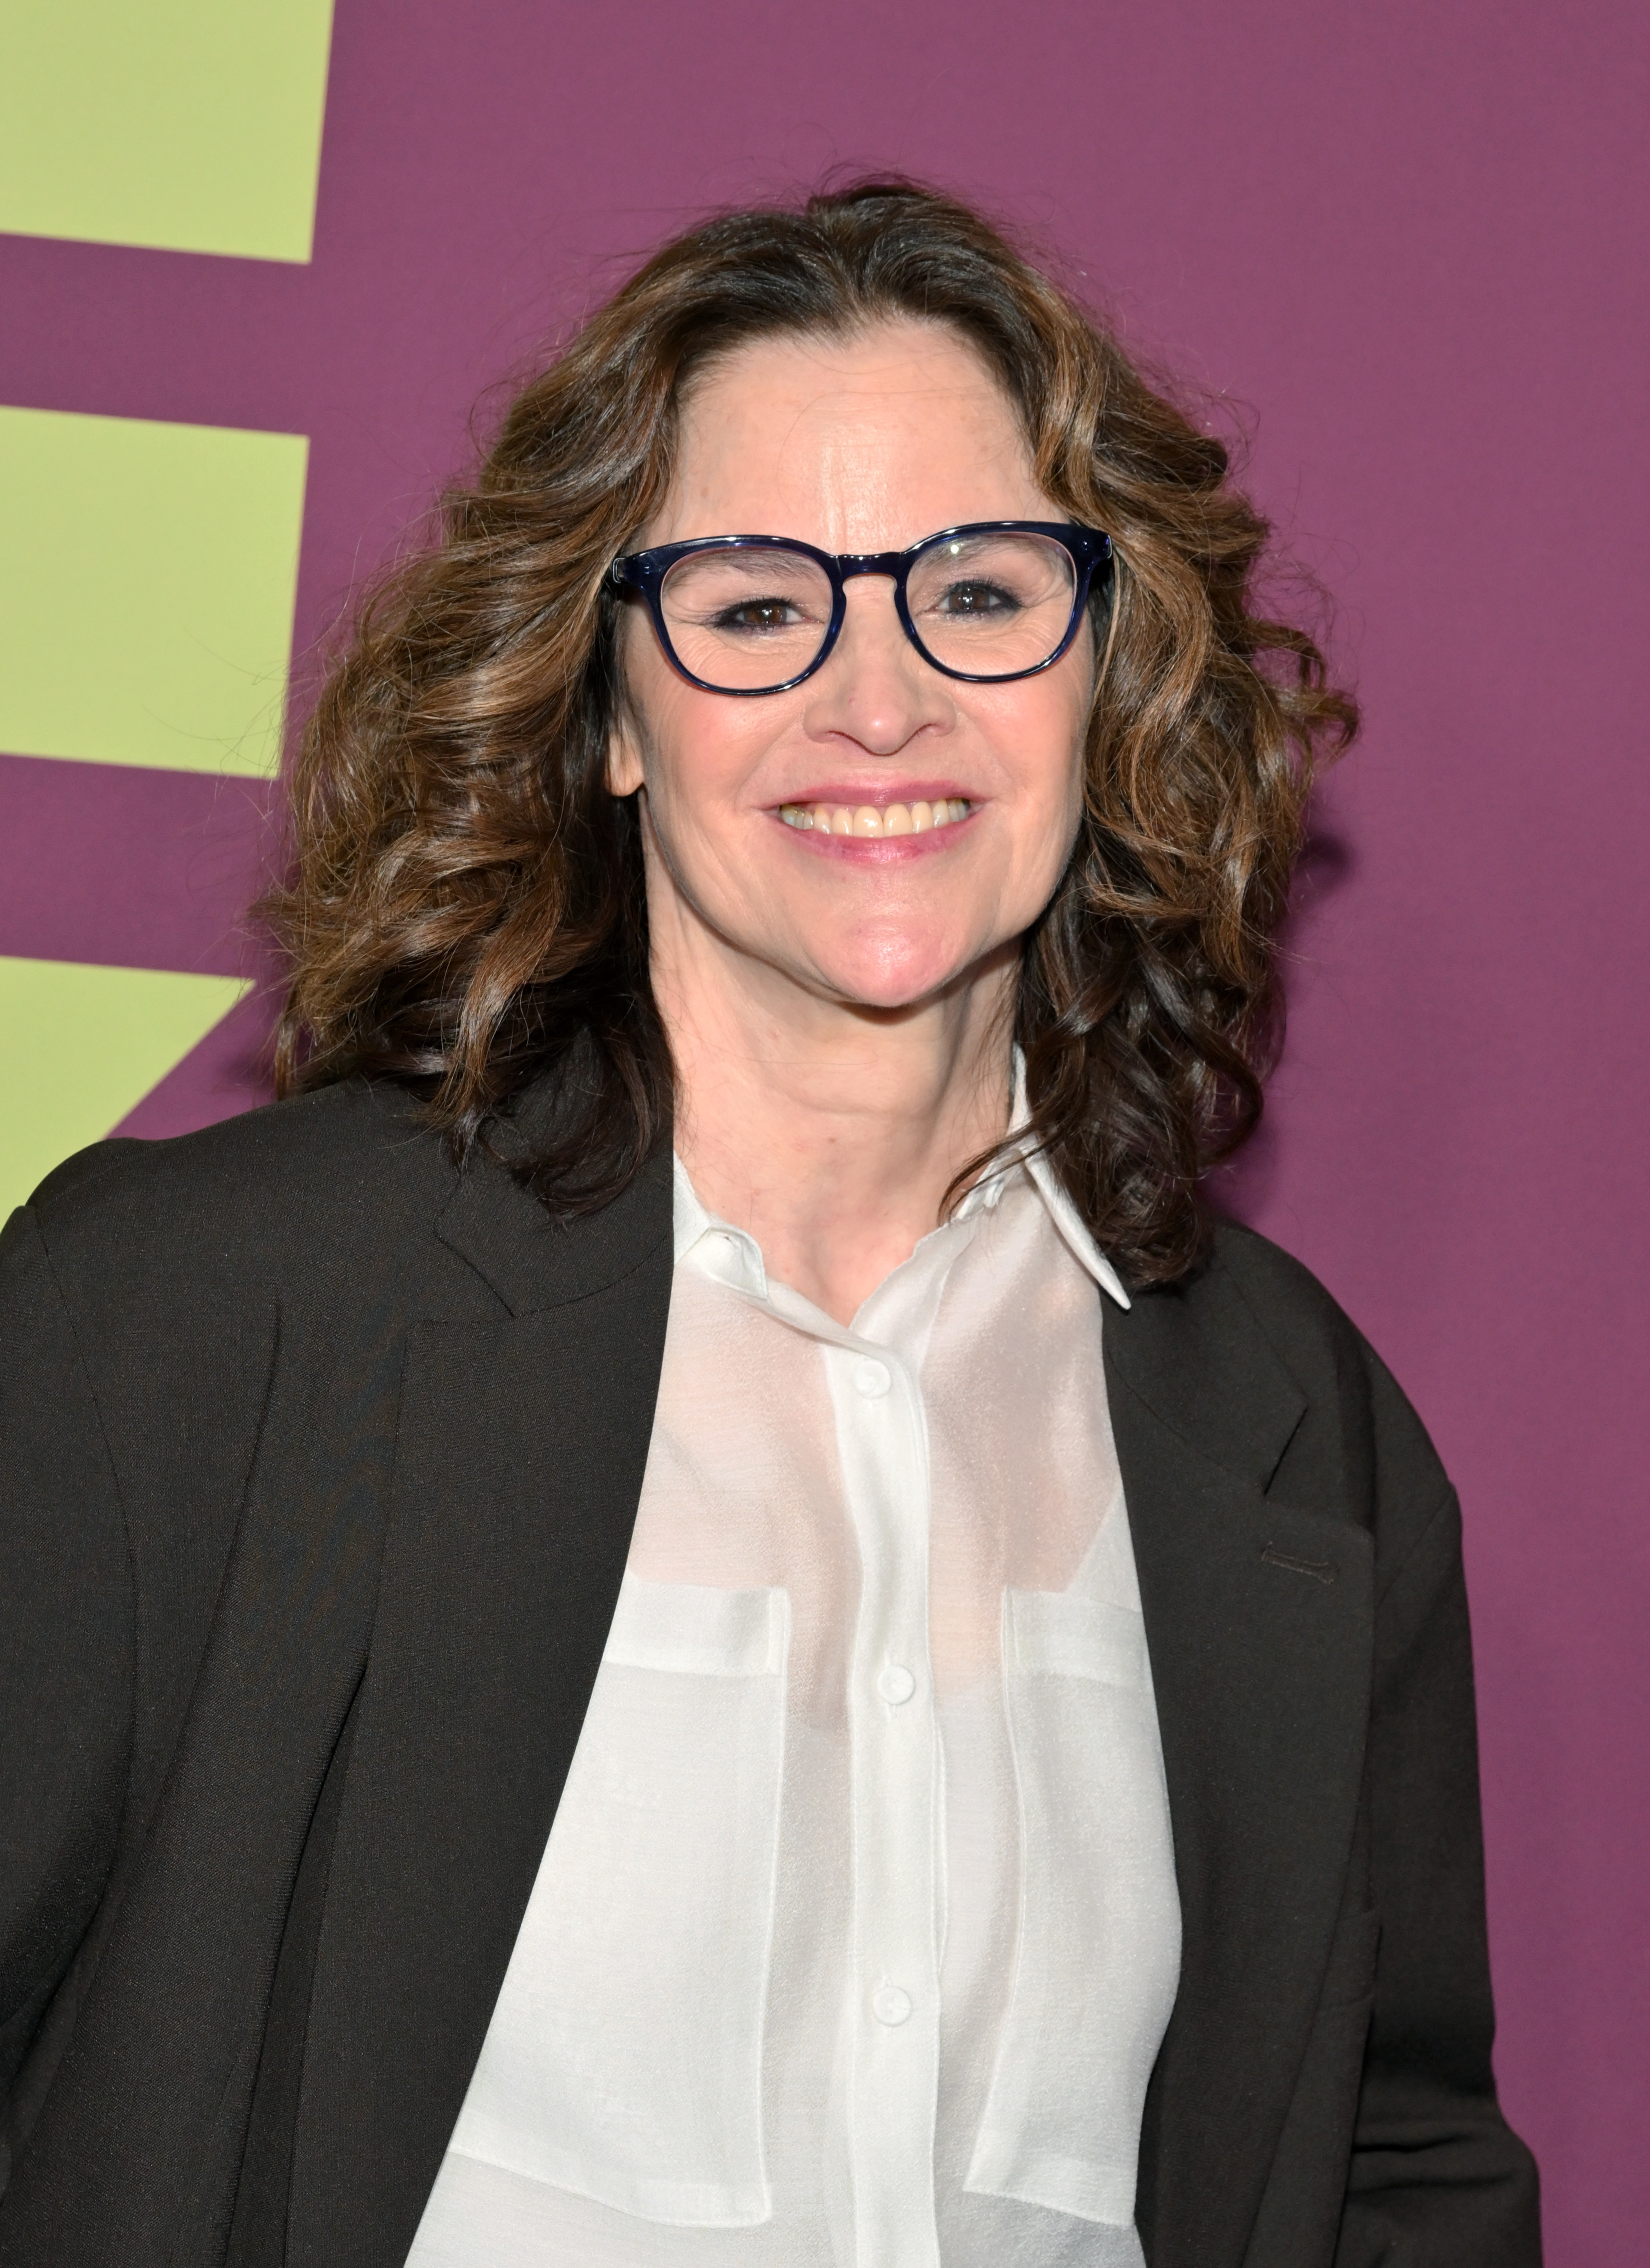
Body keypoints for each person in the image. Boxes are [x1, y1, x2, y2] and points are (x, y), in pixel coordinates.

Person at [0, 182, 1539, 2268]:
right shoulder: (192, 1322)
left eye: (980, 596)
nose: (877, 700)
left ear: (1110, 673)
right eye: (750, 608)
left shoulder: (1299, 1430)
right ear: (611, 710)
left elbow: (1392, 2172)